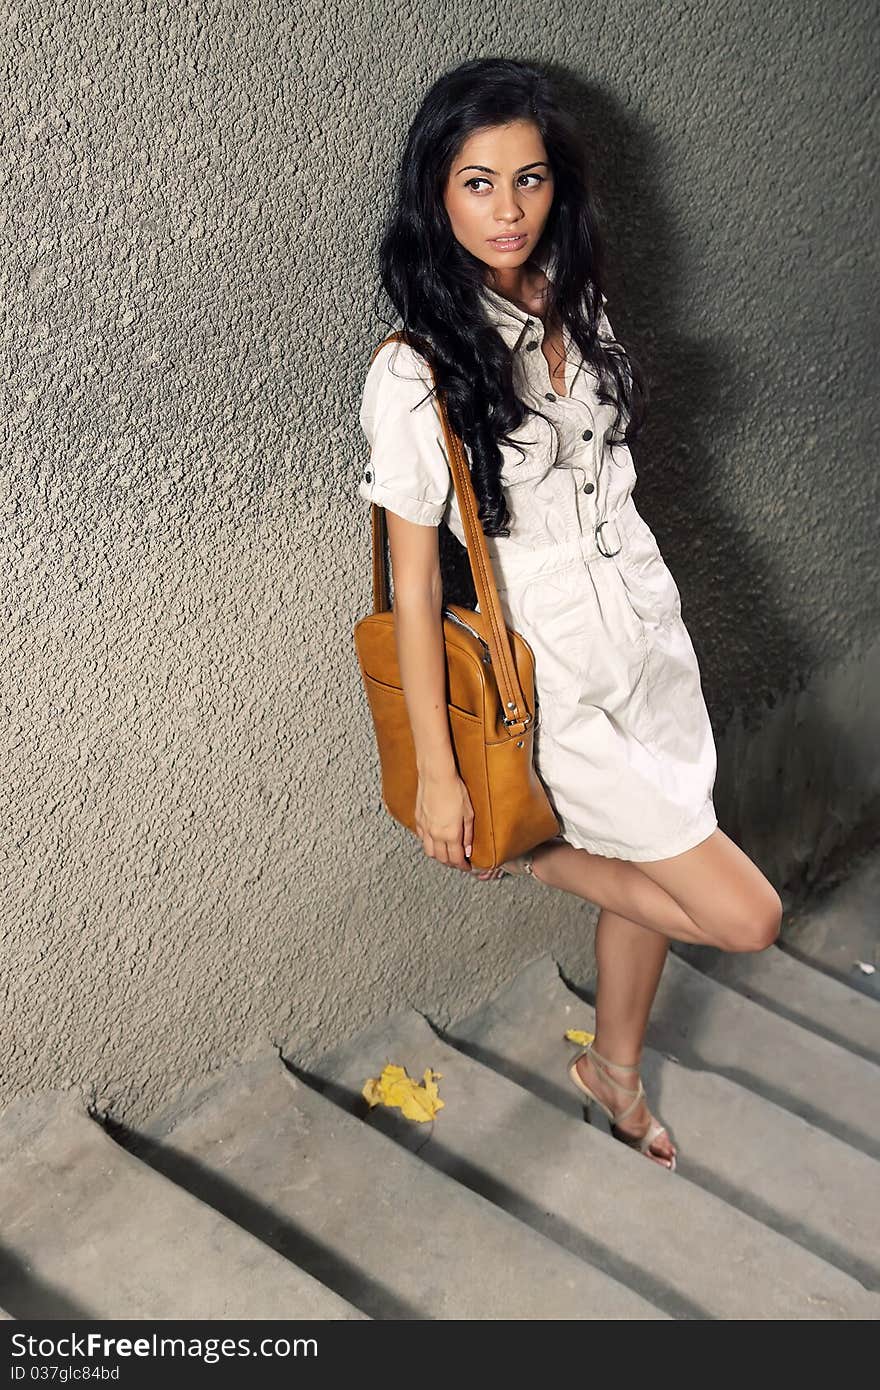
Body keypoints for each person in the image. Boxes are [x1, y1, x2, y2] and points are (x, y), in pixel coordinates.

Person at [357, 58, 783, 1171]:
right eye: (477, 183)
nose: (508, 210)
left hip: (647, 644)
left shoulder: (574, 304)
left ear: (559, 189)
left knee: (653, 866)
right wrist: (447, 776)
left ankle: (615, 1071)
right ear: (434, 197)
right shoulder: (415, 374)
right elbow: (411, 583)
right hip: (549, 684)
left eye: (529, 180)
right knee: (744, 916)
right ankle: (544, 859)